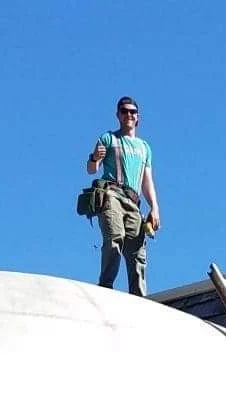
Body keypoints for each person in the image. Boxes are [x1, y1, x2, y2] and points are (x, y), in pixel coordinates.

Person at [87, 96, 161, 296]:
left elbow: (147, 180)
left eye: (132, 112)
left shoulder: (144, 147)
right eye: (124, 111)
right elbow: (92, 169)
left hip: (134, 201)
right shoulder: (108, 138)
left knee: (137, 252)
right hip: (112, 194)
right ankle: (106, 288)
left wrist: (154, 207)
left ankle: (139, 298)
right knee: (114, 237)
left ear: (138, 118)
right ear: (118, 115)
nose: (129, 115)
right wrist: (95, 157)